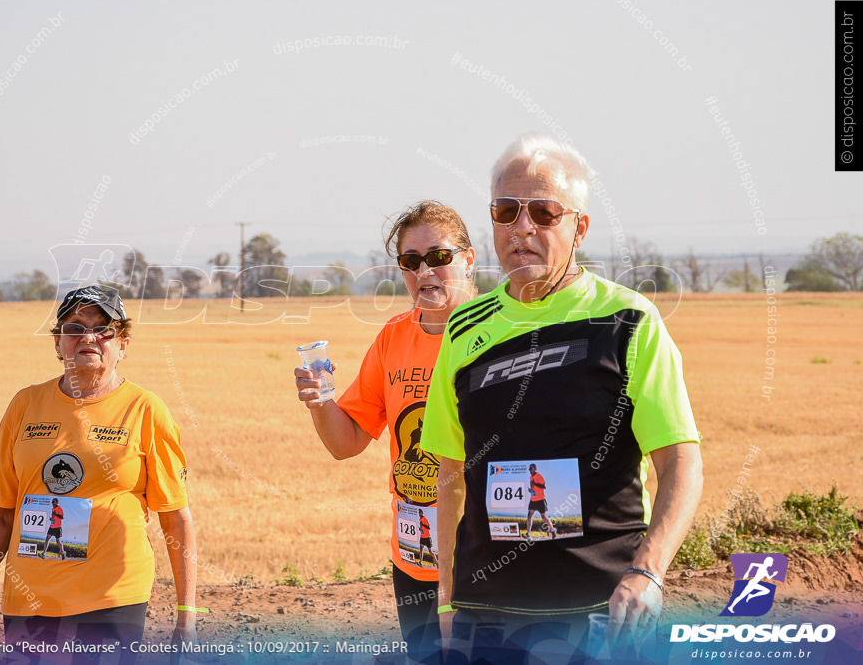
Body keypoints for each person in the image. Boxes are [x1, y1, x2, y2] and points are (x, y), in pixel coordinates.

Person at [421, 134, 704, 662]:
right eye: (506, 211)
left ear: (579, 227)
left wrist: (648, 573)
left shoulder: (629, 320)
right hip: (488, 610)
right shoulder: (463, 329)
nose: (522, 227)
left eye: (544, 212)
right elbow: (448, 476)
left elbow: (681, 461)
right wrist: (444, 601)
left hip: (602, 608)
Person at [0, 284, 199, 661]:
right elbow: (0, 514)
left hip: (112, 597)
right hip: (29, 599)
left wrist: (186, 616)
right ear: (58, 343)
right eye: (74, 328)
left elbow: (176, 520)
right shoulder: (25, 405)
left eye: (103, 328)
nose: (88, 337)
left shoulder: (146, 410)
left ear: (123, 344)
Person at [293, 200, 477, 658]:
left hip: (485, 558)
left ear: (468, 259)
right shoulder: (393, 337)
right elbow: (345, 443)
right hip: (414, 555)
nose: (425, 271)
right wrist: (321, 400)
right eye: (411, 261)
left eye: (439, 257)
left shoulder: (498, 333)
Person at [526, 464, 555, 541]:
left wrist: (535, 484)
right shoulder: (531, 478)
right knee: (529, 516)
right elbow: (533, 489)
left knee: (543, 517)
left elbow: (544, 487)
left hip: (540, 500)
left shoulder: (539, 476)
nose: (530, 470)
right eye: (529, 469)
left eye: (531, 469)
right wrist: (530, 490)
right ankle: (528, 534)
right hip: (533, 499)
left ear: (535, 469)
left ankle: (552, 530)